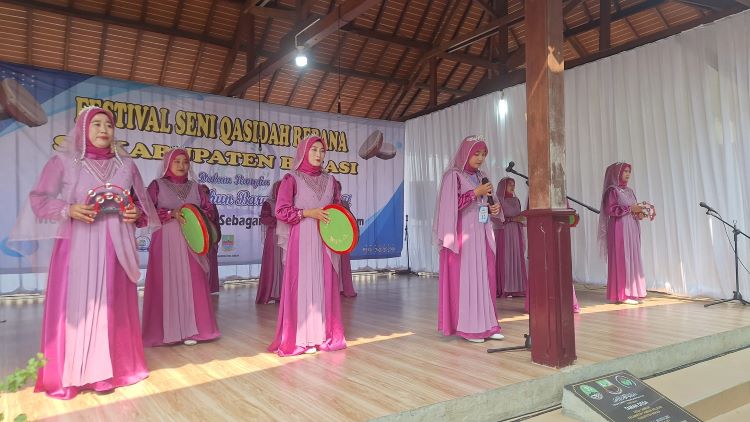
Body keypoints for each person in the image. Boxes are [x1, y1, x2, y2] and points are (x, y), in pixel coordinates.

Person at [13, 106, 159, 399]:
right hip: (77, 245)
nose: (104, 129)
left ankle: (110, 372)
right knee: (78, 309)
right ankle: (75, 373)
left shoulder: (127, 165)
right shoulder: (63, 162)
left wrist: (135, 214)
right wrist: (68, 209)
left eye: (109, 124)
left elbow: (142, 206)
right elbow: (39, 199)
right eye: (97, 124)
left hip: (117, 248)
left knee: (112, 307)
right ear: (82, 128)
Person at [268, 136, 346, 356]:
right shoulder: (291, 179)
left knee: (323, 283)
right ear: (303, 151)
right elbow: (281, 211)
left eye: (322, 150)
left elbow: (337, 209)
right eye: (314, 150)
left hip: (326, 238)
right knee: (301, 284)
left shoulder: (331, 180)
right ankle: (300, 338)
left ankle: (323, 335)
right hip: (302, 236)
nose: (319, 154)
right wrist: (307, 213)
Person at [141, 148, 221, 346]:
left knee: (194, 282)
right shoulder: (157, 185)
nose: (181, 165)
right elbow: (146, 212)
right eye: (176, 161)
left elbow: (209, 211)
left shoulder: (197, 187)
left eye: (185, 162)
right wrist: (170, 214)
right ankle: (167, 332)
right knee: (167, 280)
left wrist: (197, 214)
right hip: (166, 241)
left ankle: (195, 330)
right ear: (168, 163)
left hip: (192, 242)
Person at [433, 136, 504, 343]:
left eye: (483, 154)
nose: (480, 158)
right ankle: (470, 327)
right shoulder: (453, 177)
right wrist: (475, 193)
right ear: (466, 153)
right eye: (476, 154)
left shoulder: (482, 176)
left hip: (481, 234)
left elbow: (489, 201)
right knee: (468, 280)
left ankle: (488, 325)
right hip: (463, 237)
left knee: (484, 278)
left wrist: (494, 208)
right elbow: (449, 208)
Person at [599, 162, 648, 305]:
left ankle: (632, 291)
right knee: (621, 258)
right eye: (625, 171)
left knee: (632, 256)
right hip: (619, 227)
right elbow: (611, 210)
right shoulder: (612, 191)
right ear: (616, 173)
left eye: (629, 172)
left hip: (632, 226)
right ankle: (621, 294)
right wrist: (630, 208)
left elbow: (633, 207)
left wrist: (640, 213)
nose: (627, 174)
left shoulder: (630, 191)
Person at [494, 177, 527, 298]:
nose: (513, 187)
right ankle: (504, 287)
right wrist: (512, 219)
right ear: (503, 186)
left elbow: (519, 215)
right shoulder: (498, 200)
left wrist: (522, 218)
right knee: (506, 258)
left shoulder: (516, 200)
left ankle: (517, 288)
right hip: (504, 233)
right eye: (510, 185)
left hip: (516, 232)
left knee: (516, 257)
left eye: (514, 184)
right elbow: (495, 218)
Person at [256, 181, 283, 304]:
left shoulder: (291, 204)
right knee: (273, 263)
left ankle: (285, 293)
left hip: (288, 238)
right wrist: (281, 221)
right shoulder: (269, 203)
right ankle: (271, 293)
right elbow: (264, 218)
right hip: (273, 237)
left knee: (286, 265)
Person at [336, 181, 357, 298]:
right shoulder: (325, 202)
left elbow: (349, 218)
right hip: (329, 237)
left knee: (343, 263)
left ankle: (345, 288)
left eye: (338, 189)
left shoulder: (344, 203)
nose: (337, 191)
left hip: (343, 236)